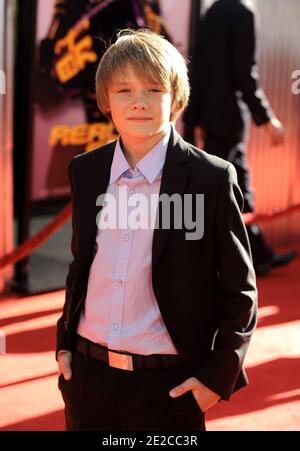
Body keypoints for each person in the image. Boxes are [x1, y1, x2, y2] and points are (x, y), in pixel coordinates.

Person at [56, 29, 257, 431]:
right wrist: (64, 345)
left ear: (175, 98)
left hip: (169, 388)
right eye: (124, 90)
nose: (139, 103)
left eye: (153, 89)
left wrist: (215, 380)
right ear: (106, 101)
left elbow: (240, 289)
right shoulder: (87, 170)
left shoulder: (210, 178)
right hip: (87, 378)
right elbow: (84, 262)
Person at [183, 0, 297, 276]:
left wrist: (194, 119)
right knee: (230, 187)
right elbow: (245, 74)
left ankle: (254, 252)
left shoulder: (212, 12)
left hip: (209, 117)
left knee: (229, 186)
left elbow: (197, 69)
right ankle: (246, 256)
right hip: (228, 117)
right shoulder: (243, 13)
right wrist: (267, 119)